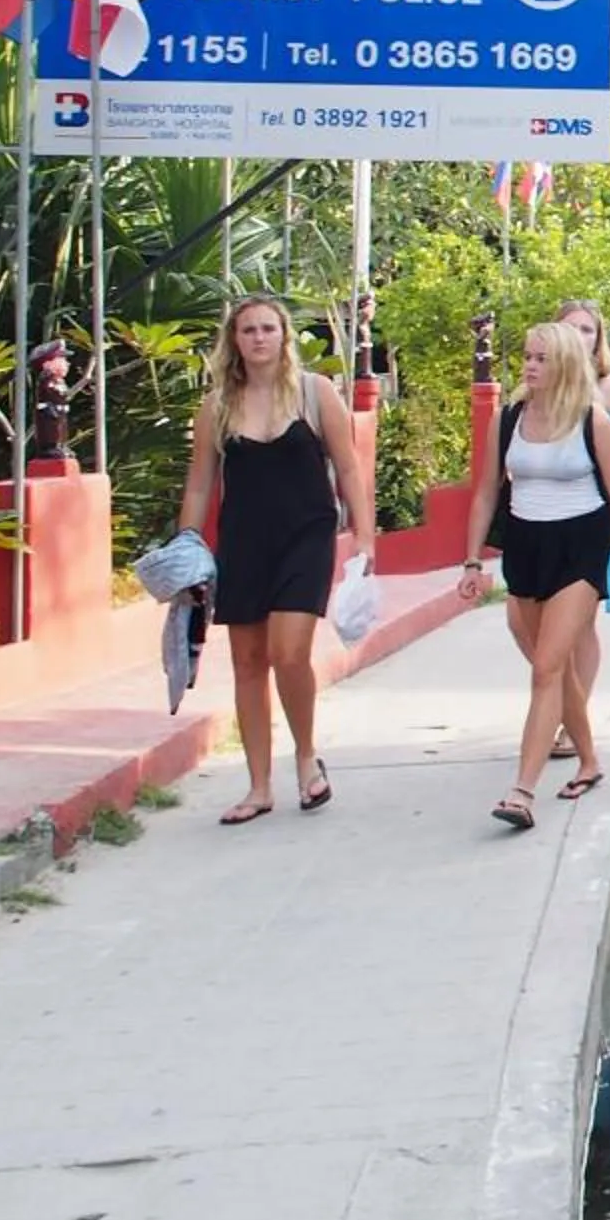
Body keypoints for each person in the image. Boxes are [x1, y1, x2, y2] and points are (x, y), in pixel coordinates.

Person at [177, 297, 376, 825]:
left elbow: (349, 467)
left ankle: (306, 757)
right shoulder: (217, 405)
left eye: (268, 328)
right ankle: (259, 786)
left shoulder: (315, 392)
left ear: (284, 336)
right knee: (247, 662)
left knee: (289, 651)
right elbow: (199, 484)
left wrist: (365, 537)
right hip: (243, 542)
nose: (259, 337)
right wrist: (187, 548)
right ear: (234, 340)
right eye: (249, 330)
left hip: (306, 536)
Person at [459, 322, 610, 832]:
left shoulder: (593, 421)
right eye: (527, 356)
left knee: (546, 667)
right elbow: (486, 491)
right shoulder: (509, 419)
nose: (529, 366)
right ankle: (589, 761)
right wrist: (472, 561)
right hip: (526, 546)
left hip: (580, 547)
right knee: (556, 670)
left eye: (541, 358)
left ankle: (522, 791)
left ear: (564, 363)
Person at [548, 299, 610, 766]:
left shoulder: (609, 390)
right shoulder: (541, 389)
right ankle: (556, 709)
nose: (580, 337)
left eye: (588, 330)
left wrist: (603, 456)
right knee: (547, 628)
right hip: (546, 522)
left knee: (580, 623)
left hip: (597, 519)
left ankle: (573, 720)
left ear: (599, 339)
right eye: (571, 328)